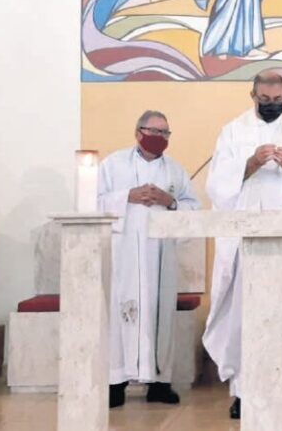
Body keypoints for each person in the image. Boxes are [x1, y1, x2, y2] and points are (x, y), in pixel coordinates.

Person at [203, 71, 282, 418]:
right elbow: (217, 186)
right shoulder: (233, 132)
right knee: (245, 314)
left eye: (278, 100)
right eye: (265, 100)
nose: (272, 105)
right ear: (252, 95)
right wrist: (253, 162)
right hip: (247, 241)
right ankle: (243, 391)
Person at [98, 111, 201, 409]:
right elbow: (91, 201)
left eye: (165, 133)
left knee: (160, 315)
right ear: (138, 131)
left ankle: (159, 383)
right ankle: (115, 383)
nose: (160, 137)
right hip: (123, 252)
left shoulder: (176, 171)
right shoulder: (112, 164)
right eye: (153, 131)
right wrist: (126, 196)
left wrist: (170, 202)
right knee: (120, 313)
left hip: (160, 255)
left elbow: (193, 210)